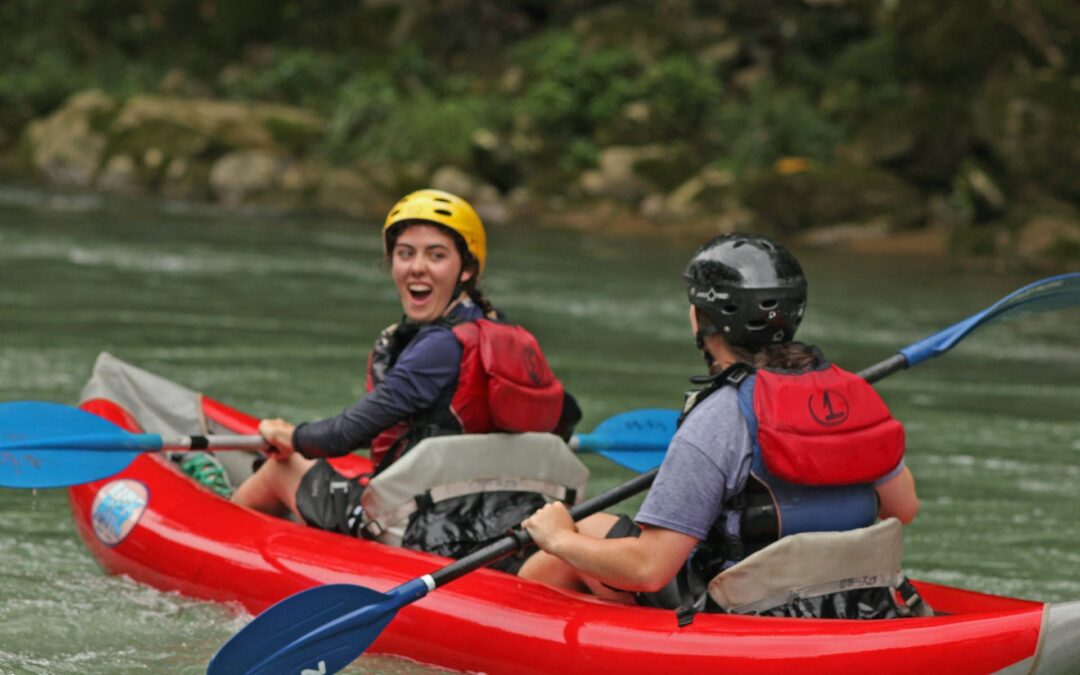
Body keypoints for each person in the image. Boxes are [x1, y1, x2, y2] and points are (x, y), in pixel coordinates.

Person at [520, 233, 919, 621]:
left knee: (563, 549)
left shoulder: (719, 418)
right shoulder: (852, 395)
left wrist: (557, 539)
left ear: (701, 319)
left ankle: (510, 635)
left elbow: (650, 569)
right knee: (589, 524)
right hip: (853, 601)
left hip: (747, 612)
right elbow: (903, 508)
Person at [233, 189, 581, 550]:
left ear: (467, 269)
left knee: (281, 469)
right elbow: (567, 413)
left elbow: (342, 437)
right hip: (490, 518)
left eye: (436, 255)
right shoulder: (505, 334)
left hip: (424, 529)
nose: (417, 266)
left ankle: (230, 547)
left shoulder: (440, 346)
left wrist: (293, 436)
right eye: (405, 253)